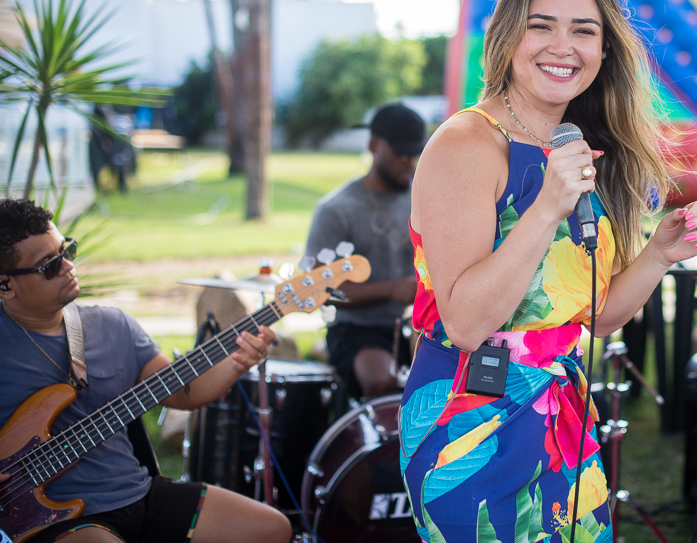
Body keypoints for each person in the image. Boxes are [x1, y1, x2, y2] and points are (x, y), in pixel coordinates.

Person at [399, 0, 697, 542]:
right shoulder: (466, 145)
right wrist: (547, 205)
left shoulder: (585, 147)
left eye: (584, 30)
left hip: (562, 414)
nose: (562, 45)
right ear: (508, 37)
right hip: (468, 419)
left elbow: (596, 319)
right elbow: (467, 322)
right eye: (540, 25)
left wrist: (658, 256)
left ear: (604, 49)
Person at [0, 198, 292, 543]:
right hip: (53, 519)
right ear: (6, 285)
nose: (67, 266)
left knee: (273, 529)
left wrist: (238, 360)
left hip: (137, 491)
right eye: (48, 265)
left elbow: (185, 392)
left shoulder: (113, 326)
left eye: (67, 251)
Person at [301, 103, 426, 399]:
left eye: (415, 152)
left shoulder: (425, 199)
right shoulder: (336, 210)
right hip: (359, 330)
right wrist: (391, 290)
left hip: (420, 327)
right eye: (400, 152)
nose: (408, 160)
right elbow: (316, 289)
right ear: (374, 145)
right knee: (382, 383)